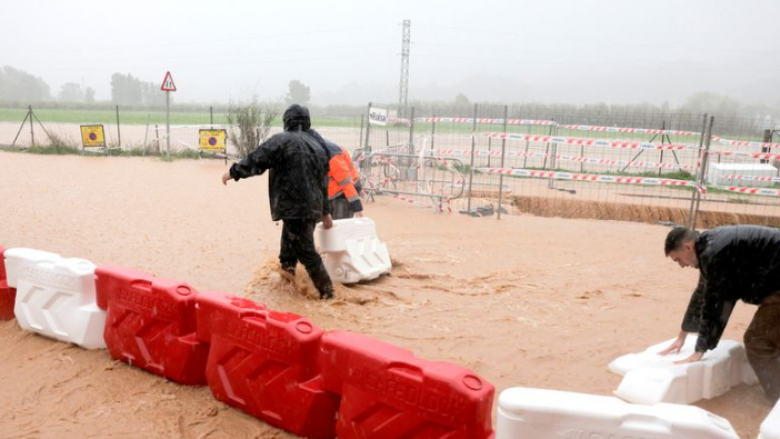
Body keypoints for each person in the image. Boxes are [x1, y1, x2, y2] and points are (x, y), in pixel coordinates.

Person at [221, 104, 335, 300]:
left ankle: (329, 296)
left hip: (293, 207)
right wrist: (325, 211)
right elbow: (323, 182)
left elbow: (256, 160)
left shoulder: (281, 141)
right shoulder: (318, 146)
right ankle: (289, 291)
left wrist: (233, 173)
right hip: (310, 208)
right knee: (288, 252)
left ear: (287, 121)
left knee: (307, 253)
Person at [661, 225, 780, 402]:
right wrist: (682, 335)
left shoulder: (714, 254)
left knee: (757, 341)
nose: (681, 266)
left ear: (688, 247)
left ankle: (777, 401)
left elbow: (714, 306)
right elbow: (702, 294)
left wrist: (700, 349)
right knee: (773, 334)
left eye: (678, 259)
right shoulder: (710, 248)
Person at [308, 134, 364, 220]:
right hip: (332, 194)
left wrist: (356, 207)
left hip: (342, 194)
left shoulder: (333, 158)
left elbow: (346, 183)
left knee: (338, 226)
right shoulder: (318, 151)